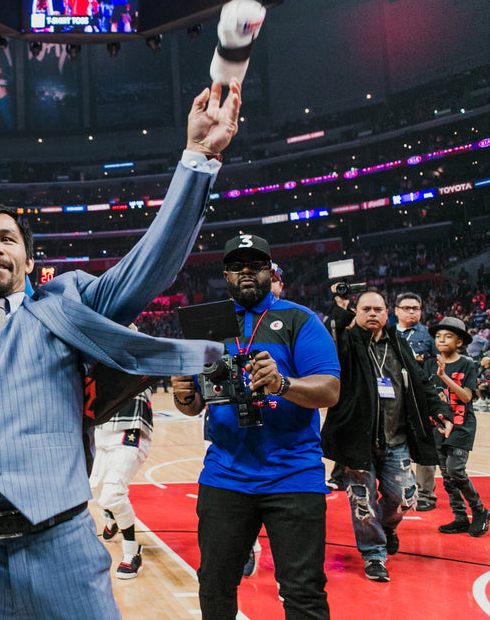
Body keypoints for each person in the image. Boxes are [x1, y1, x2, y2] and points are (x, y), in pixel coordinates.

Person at [0, 80, 241, 618]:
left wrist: (198, 158)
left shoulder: (69, 305)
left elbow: (150, 266)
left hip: (65, 553)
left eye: (8, 237)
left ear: (28, 260)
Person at [172, 233, 340, 619]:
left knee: (303, 591)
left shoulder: (300, 319)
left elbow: (330, 389)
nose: (246, 272)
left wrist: (283, 383)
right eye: (236, 266)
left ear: (270, 271)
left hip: (294, 475)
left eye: (255, 265)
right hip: (225, 476)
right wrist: (185, 394)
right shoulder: (207, 324)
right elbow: (194, 404)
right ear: (225, 275)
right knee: (214, 584)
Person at [321, 290, 452, 582]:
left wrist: (440, 408)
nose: (372, 314)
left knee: (405, 497)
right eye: (365, 309)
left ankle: (387, 526)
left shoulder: (398, 345)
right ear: (355, 313)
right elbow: (334, 331)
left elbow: (420, 382)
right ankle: (374, 555)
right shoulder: (348, 344)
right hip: (357, 443)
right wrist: (340, 308)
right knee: (362, 503)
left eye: (377, 309)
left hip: (397, 440)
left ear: (387, 312)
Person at [426, 317, 489, 537]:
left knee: (455, 470)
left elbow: (466, 396)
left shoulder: (467, 364)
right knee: (447, 476)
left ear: (459, 342)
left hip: (462, 426)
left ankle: (480, 510)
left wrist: (445, 378)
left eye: (448, 336)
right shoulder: (429, 364)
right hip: (440, 426)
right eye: (438, 336)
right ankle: (460, 517)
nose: (441, 339)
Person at [90, 380, 153, 579]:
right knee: (94, 489)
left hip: (130, 429)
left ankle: (132, 553)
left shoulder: (139, 357)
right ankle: (112, 518)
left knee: (113, 494)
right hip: (102, 429)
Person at [393, 292, 439, 511]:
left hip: (421, 397)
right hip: (395, 397)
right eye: (407, 308)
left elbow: (439, 367)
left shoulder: (430, 335)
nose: (412, 312)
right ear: (396, 310)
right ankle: (402, 489)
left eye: (416, 308)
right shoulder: (388, 334)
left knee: (424, 441)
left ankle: (426, 494)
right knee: (396, 442)